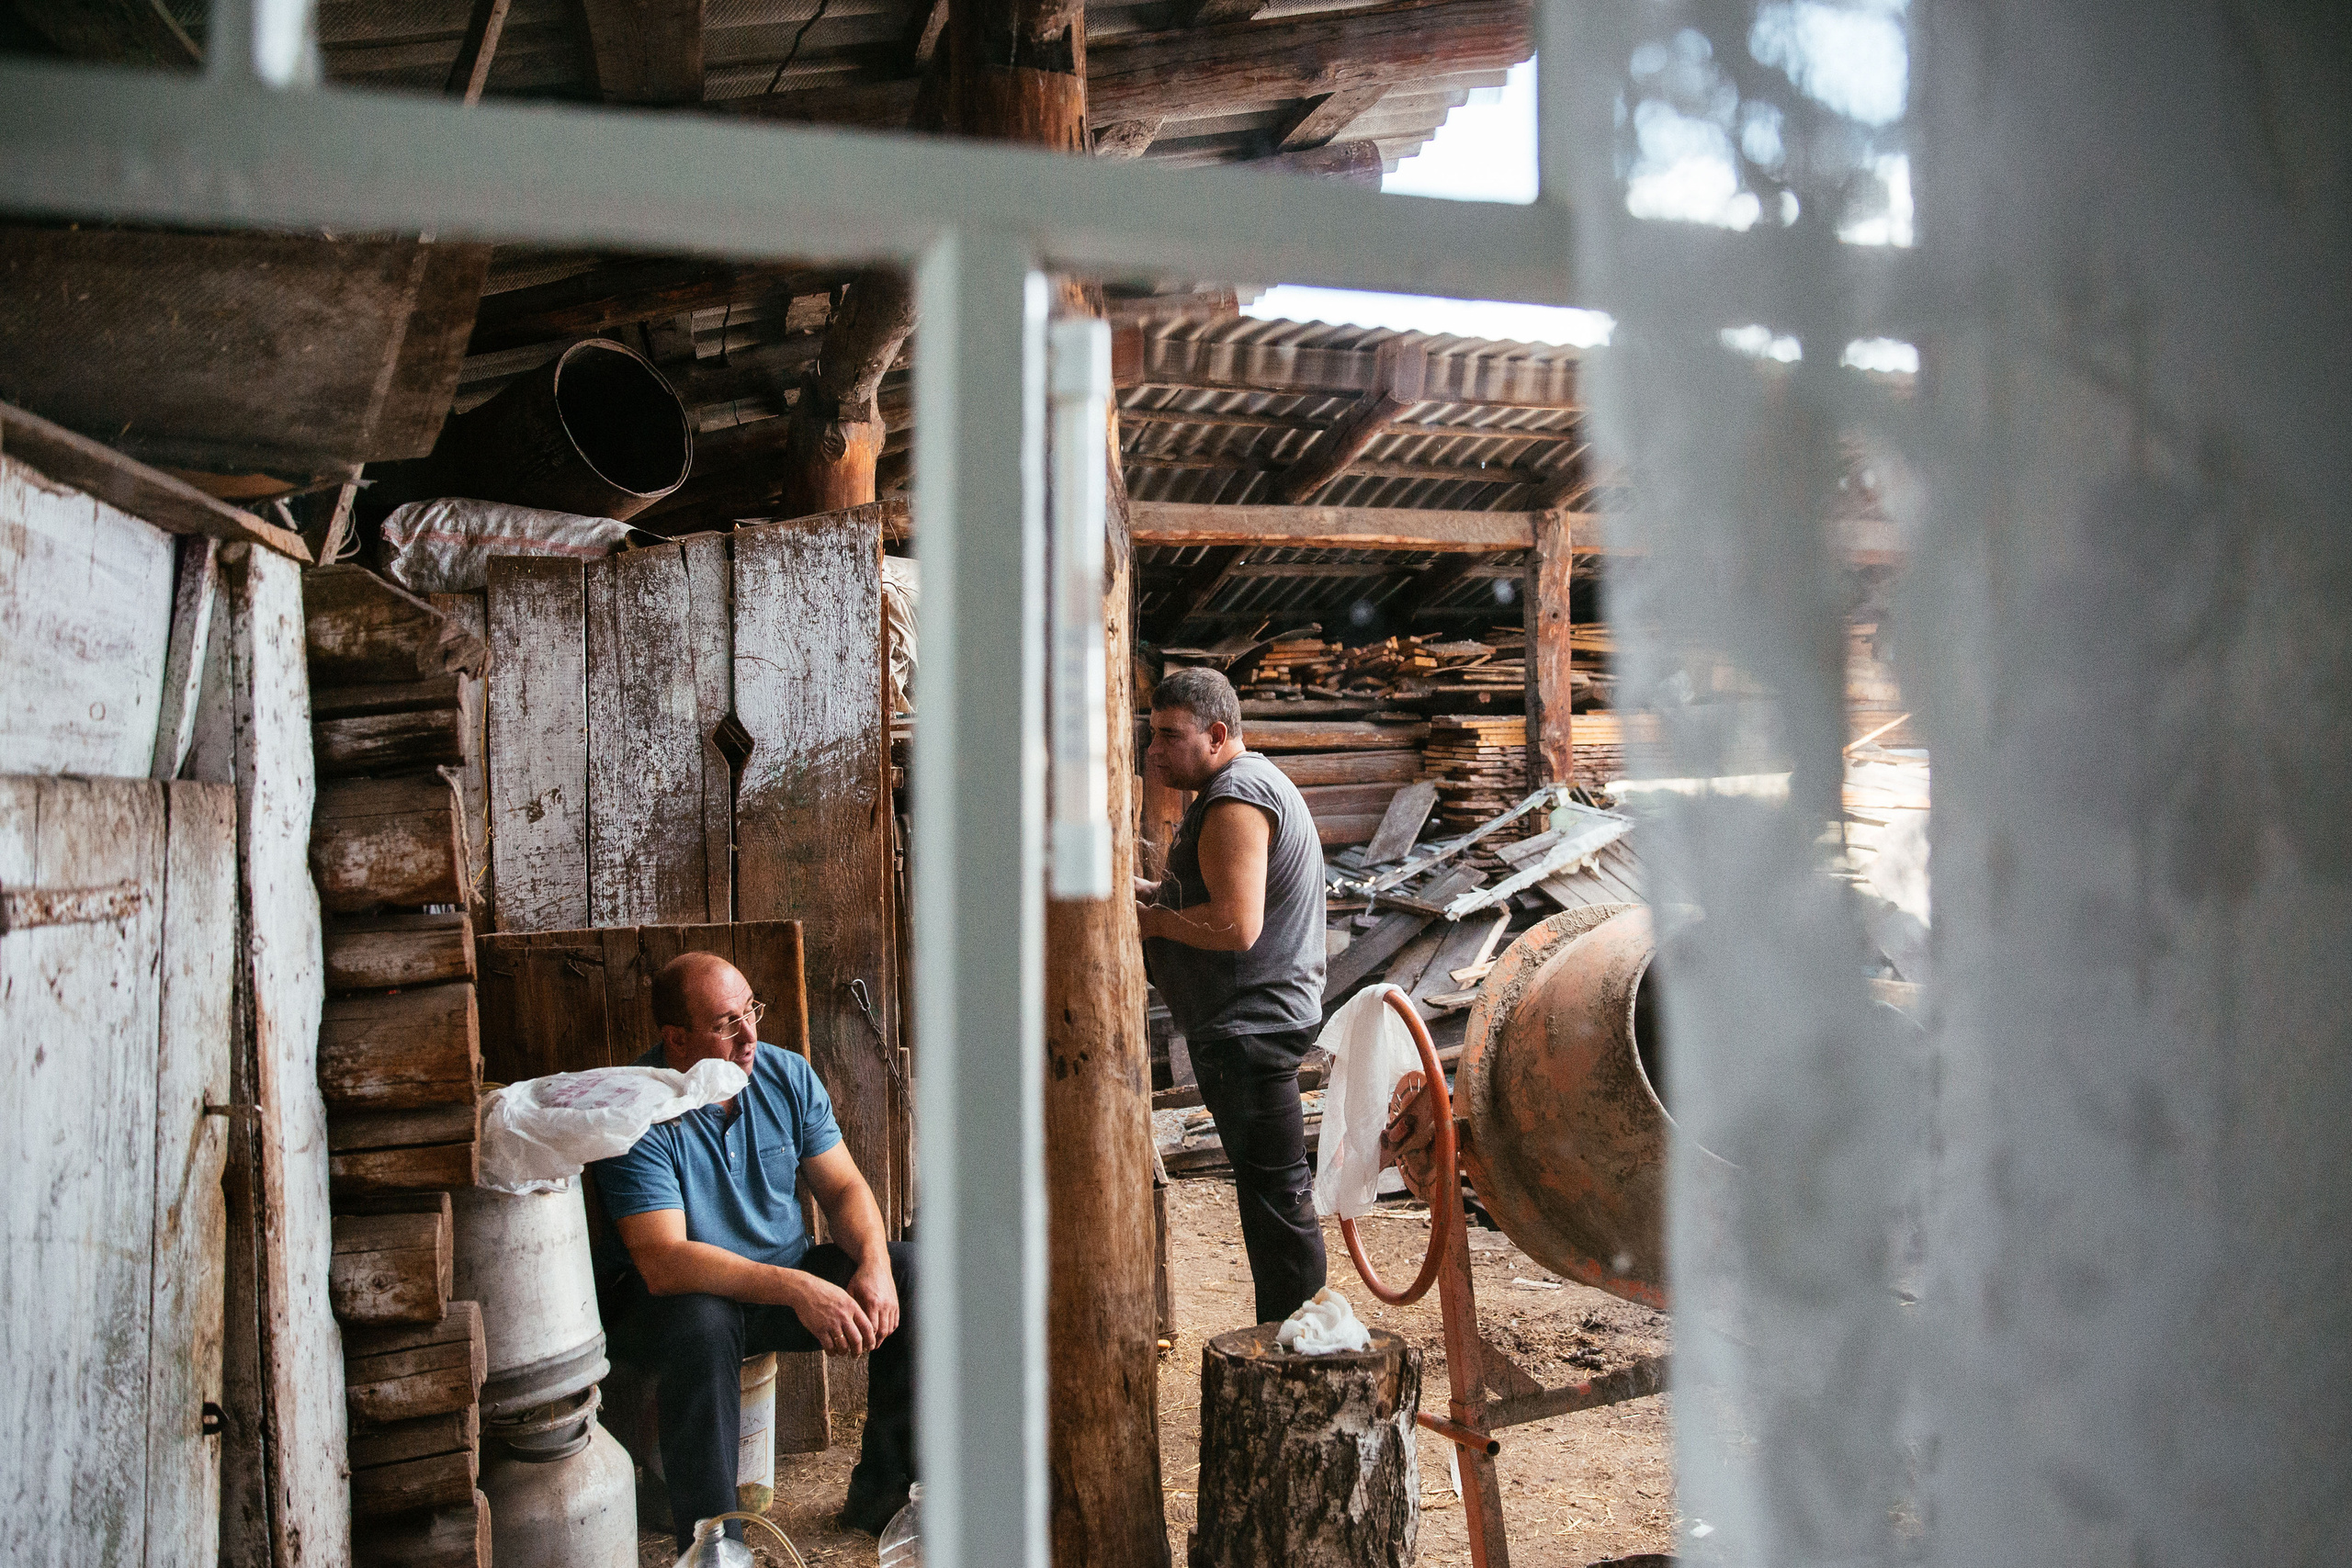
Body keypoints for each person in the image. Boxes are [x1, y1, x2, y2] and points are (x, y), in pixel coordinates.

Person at [592, 951, 916, 1550]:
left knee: (912, 1272)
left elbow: (843, 1187)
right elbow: (664, 1261)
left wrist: (873, 1262)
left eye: (751, 1011)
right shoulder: (634, 1108)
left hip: (775, 1283)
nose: (749, 1036)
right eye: (726, 1024)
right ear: (676, 1038)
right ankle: (717, 1544)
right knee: (702, 1322)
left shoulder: (784, 1074)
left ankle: (884, 1496)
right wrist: (799, 1288)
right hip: (666, 1302)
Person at [1136, 665, 1330, 1325]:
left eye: (1170, 736)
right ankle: (1289, 1334)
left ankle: (1298, 1345)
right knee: (1271, 1195)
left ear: (1217, 735)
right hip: (1254, 1022)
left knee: (1278, 1200)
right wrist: (1153, 895)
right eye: (1152, 734)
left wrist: (1152, 922)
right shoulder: (1236, 787)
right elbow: (1217, 899)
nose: (1154, 751)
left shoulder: (1236, 797)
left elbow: (1235, 924)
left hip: (1253, 1025)